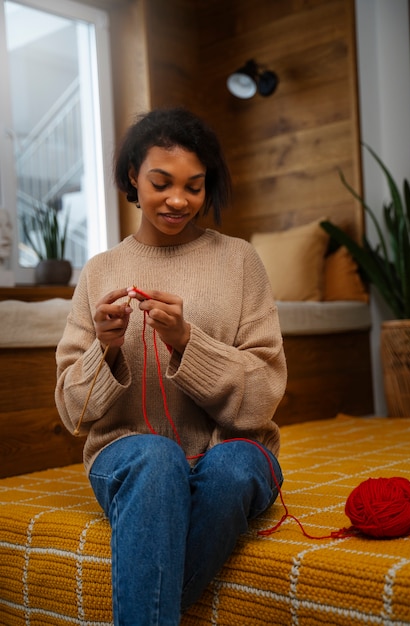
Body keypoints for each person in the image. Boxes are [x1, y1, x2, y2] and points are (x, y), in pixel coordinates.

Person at [55, 107, 287, 626]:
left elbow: (263, 396)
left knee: (229, 470)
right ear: (133, 178)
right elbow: (74, 410)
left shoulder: (240, 261)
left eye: (195, 186)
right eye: (161, 183)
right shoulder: (100, 272)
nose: (179, 200)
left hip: (236, 452)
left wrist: (186, 341)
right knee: (157, 459)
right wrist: (107, 349)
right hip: (128, 456)